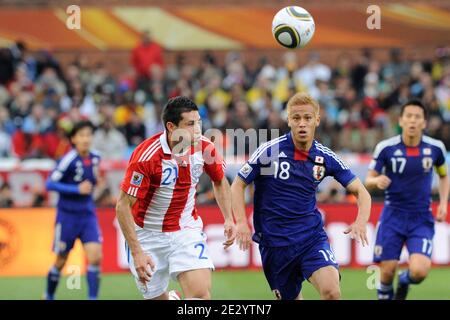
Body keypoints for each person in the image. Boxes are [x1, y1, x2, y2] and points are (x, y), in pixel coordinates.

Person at [231, 92, 371, 300]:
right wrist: (241, 223)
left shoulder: (325, 157)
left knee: (332, 292)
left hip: (311, 239)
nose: (302, 124)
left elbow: (362, 192)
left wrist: (361, 221)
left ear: (317, 119)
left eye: (307, 118)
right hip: (275, 245)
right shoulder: (269, 151)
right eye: (296, 118)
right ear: (288, 120)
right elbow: (238, 184)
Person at [116, 96, 235, 300]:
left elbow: (219, 180)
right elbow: (123, 206)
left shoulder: (205, 148)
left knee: (199, 296)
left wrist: (229, 218)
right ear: (171, 127)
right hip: (147, 235)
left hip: (185, 230)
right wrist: (137, 252)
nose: (197, 129)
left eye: (198, 122)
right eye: (190, 124)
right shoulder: (147, 157)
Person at [365, 99, 449, 300]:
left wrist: (444, 203)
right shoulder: (386, 148)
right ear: (401, 120)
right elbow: (367, 180)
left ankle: (404, 281)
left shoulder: (436, 148)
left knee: (419, 272)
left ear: (424, 123)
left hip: (421, 218)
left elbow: (444, 175)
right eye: (408, 116)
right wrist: (376, 181)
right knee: (386, 271)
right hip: (393, 216)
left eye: (417, 117)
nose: (412, 120)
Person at [44, 120, 102, 300]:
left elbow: (94, 181)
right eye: (82, 135)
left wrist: (98, 184)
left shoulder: (95, 158)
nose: (86, 139)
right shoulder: (67, 159)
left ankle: (92, 298)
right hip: (67, 217)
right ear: (74, 139)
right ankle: (49, 295)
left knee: (95, 257)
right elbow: (49, 183)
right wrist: (76, 189)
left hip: (87, 216)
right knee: (61, 260)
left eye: (89, 135)